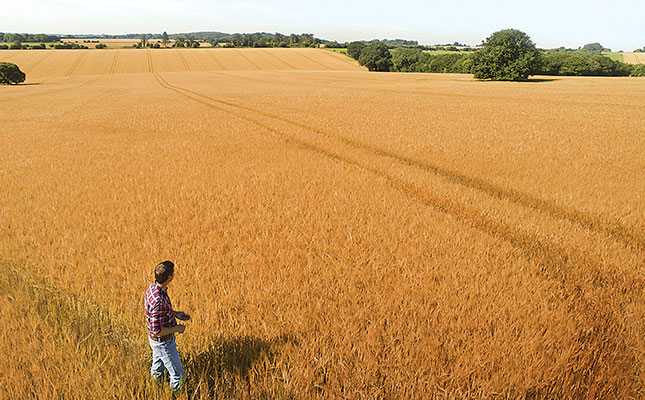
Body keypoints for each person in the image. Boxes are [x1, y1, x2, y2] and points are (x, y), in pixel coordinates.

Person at [144, 260, 191, 392]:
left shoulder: (154, 287)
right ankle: (173, 396)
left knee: (157, 366)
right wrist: (177, 328)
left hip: (156, 341)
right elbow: (157, 330)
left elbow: (160, 312)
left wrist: (175, 314)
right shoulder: (158, 300)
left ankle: (154, 388)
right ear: (169, 277)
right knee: (178, 376)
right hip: (163, 342)